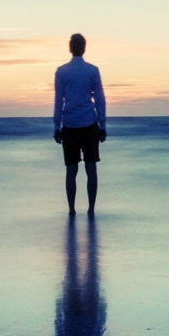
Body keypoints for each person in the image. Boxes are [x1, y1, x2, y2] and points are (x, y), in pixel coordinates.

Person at [53, 33, 106, 215]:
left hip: (70, 124)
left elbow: (59, 101)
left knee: (71, 170)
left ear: (70, 47)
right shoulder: (92, 70)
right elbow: (99, 100)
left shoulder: (62, 72)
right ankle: (91, 209)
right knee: (91, 168)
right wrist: (103, 124)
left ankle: (72, 210)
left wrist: (56, 126)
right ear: (84, 48)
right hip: (89, 123)